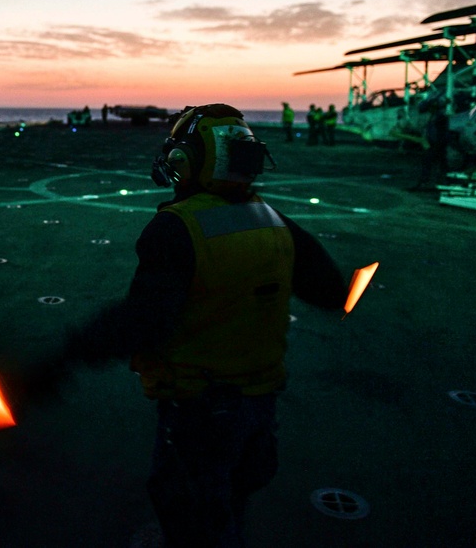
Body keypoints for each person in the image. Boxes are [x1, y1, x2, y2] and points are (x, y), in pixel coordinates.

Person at [19, 104, 347, 547]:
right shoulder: (271, 220)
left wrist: (64, 357)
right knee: (230, 506)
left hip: (201, 410)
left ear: (188, 162)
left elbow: (142, 322)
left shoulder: (177, 229)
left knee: (191, 517)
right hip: (260, 406)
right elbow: (330, 292)